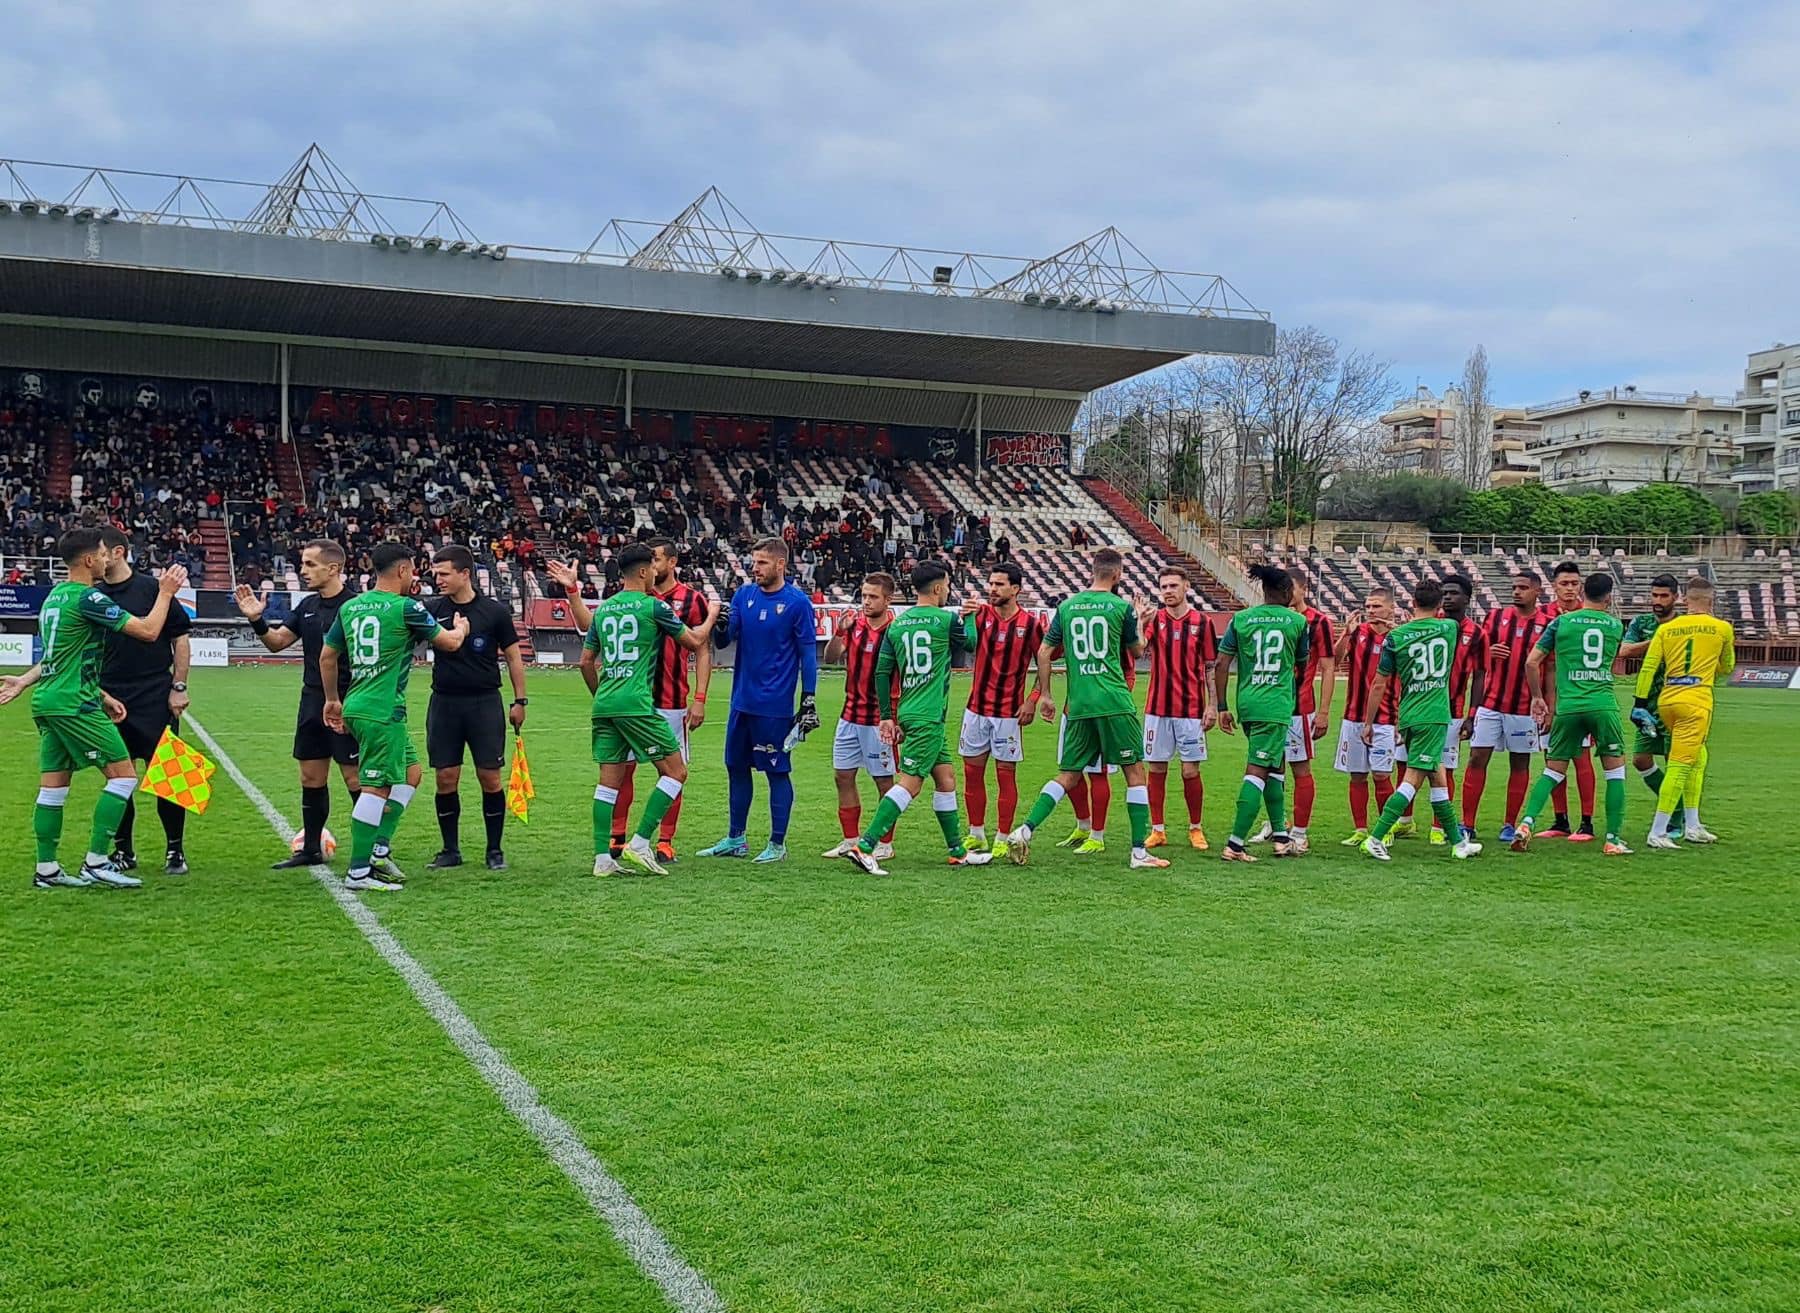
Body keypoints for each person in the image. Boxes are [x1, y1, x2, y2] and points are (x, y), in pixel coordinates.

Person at [0, 527, 188, 889]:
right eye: (101, 554)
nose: (106, 559)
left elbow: (62, 656)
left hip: (75, 698)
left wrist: (28, 682)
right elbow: (150, 631)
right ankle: (99, 860)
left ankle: (48, 869)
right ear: (89, 560)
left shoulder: (56, 596)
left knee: (55, 787)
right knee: (124, 777)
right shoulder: (92, 597)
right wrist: (166, 593)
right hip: (76, 703)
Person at [1003, 548, 1168, 870]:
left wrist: (1047, 694)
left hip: (1078, 704)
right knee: (1135, 772)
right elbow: (1137, 650)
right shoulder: (1121, 607)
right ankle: (1138, 853)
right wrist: (1142, 623)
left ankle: (1024, 830)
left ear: (1092, 571)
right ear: (1117, 575)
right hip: (1113, 701)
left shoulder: (1067, 607)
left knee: (1068, 774)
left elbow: (1045, 651)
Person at [320, 542, 470, 891]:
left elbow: (327, 657)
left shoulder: (351, 607)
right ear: (403, 570)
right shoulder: (406, 608)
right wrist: (461, 628)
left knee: (412, 774)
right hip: (380, 711)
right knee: (376, 787)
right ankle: (359, 872)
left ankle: (379, 848)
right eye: (413, 570)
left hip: (358, 703)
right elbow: (448, 643)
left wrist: (332, 700)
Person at [839, 562, 996, 875]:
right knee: (910, 783)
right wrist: (973, 618)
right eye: (948, 586)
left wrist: (887, 716)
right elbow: (971, 644)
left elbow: (883, 672)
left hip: (909, 710)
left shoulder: (898, 624)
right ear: (938, 588)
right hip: (928, 716)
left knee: (946, 778)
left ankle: (957, 851)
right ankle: (865, 845)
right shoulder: (945, 620)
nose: (948, 591)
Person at [581, 543, 720, 876]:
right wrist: (712, 614)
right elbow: (694, 640)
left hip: (605, 704)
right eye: (652, 569)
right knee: (676, 771)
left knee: (608, 782)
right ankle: (642, 841)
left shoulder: (604, 609)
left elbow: (586, 661)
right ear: (643, 571)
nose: (656, 573)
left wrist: (601, 693)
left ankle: (603, 859)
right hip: (638, 703)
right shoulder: (653, 607)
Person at [235, 539, 363, 868]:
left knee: (356, 780)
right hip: (312, 700)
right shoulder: (307, 606)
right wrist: (256, 620)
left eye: (309, 564)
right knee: (311, 777)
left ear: (333, 568)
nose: (302, 570)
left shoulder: (357, 606)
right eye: (302, 564)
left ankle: (372, 849)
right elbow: (277, 643)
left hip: (349, 702)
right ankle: (310, 850)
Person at [696, 537, 819, 863]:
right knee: (736, 767)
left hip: (775, 708)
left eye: (762, 562)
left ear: (781, 564)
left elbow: (808, 656)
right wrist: (719, 626)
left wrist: (808, 699)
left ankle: (777, 844)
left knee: (777, 772)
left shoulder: (797, 603)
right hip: (741, 702)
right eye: (754, 562)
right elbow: (725, 640)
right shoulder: (743, 595)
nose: (755, 568)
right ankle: (736, 838)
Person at [1356, 578, 1482, 862]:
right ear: (1439, 605)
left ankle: (1459, 843)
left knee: (1437, 777)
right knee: (1412, 779)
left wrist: (1368, 722)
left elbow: (1379, 683)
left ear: (1412, 603)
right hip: (1435, 713)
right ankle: (1376, 837)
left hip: (1410, 713)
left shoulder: (1396, 637)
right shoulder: (1449, 628)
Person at [95, 524, 194, 875]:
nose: (94, 558)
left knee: (172, 776)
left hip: (154, 694)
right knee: (119, 779)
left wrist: (178, 686)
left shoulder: (154, 589)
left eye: (101, 551)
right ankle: (124, 852)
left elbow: (180, 637)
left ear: (118, 552)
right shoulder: (90, 595)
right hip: (109, 697)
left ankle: (175, 851)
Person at [422, 544, 527, 871]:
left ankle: (494, 850)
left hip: (484, 704)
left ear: (464, 573)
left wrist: (520, 700)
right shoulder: (432, 609)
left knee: (490, 779)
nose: (437, 579)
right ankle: (450, 849)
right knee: (445, 778)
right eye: (434, 574)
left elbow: (513, 657)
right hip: (444, 703)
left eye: (444, 573)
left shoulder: (493, 611)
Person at [1512, 572, 1630, 854]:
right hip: (1602, 704)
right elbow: (1616, 656)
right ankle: (1612, 840)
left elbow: (1531, 662)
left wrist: (1539, 697)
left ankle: (1526, 822)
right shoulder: (1614, 625)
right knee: (1615, 773)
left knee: (1553, 770)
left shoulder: (1561, 622)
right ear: (1609, 597)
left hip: (1568, 706)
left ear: (1582, 592)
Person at [1209, 563, 1311, 861]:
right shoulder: (1296, 622)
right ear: (1285, 591)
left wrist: (1223, 706)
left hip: (1248, 702)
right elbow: (1302, 666)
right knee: (1257, 771)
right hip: (1275, 704)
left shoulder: (1241, 619)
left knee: (1275, 768)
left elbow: (1221, 664)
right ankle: (1235, 844)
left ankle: (1281, 838)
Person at [957, 563, 1049, 858]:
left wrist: (1033, 699)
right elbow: (967, 643)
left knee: (1005, 776)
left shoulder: (1031, 625)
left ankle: (1001, 836)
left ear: (1015, 589)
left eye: (999, 584)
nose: (992, 589)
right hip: (976, 710)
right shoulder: (980, 614)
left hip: (1009, 713)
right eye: (991, 583)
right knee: (972, 774)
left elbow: (1044, 663)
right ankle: (975, 834)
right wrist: (964, 618)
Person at [1634, 575, 1732, 848]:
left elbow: (1649, 667)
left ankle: (1693, 824)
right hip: (1696, 702)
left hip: (1667, 700)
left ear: (1685, 600)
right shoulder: (1722, 628)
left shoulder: (1668, 628)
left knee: (1698, 759)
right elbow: (1727, 666)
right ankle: (1658, 831)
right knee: (1679, 767)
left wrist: (1640, 704)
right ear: (1711, 601)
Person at [1390, 572, 1486, 844]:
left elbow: (1480, 674)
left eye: (1454, 592)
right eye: (1444, 592)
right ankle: (1405, 821)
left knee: (1444, 768)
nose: (1448, 597)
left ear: (1467, 598)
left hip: (1450, 710)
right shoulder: (1431, 626)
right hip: (1416, 707)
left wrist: (1471, 714)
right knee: (1407, 764)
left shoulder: (1475, 633)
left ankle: (1438, 827)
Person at [1462, 570, 1548, 845]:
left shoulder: (1548, 624)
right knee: (1477, 758)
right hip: (1491, 703)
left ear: (1537, 592)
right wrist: (1490, 652)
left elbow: (1552, 667)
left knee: (1520, 763)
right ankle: (1467, 824)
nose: (1517, 592)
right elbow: (1476, 656)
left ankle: (1509, 824)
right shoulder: (1496, 618)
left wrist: (1549, 706)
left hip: (1524, 708)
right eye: (1514, 587)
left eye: (1523, 587)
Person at [1248, 573, 1333, 851]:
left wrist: (1323, 712)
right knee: (1272, 768)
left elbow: (1328, 667)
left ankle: (1300, 831)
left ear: (1302, 589)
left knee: (1300, 768)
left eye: (1291, 588)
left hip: (1299, 708)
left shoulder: (1318, 622)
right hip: (1272, 707)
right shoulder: (1273, 620)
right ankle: (1276, 823)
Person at [822, 573, 900, 861]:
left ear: (888, 600)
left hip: (880, 719)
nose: (866, 601)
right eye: (864, 595)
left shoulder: (895, 632)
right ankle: (850, 840)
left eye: (873, 596)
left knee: (883, 781)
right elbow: (830, 658)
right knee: (842, 776)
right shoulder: (853, 627)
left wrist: (896, 718)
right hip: (849, 715)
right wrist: (839, 632)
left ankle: (885, 843)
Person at [1139, 566, 1216, 850]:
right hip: (1157, 709)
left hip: (1192, 710)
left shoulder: (1202, 622)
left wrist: (1212, 706)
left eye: (1173, 586)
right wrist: (1139, 621)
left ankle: (1195, 828)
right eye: (1164, 587)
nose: (1168, 591)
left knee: (1190, 772)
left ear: (1186, 587)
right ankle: (1157, 829)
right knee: (1156, 768)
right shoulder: (1154, 619)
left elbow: (1209, 667)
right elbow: (1138, 649)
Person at [1618, 573, 1688, 839]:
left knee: (1674, 763)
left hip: (1675, 700)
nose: (1658, 601)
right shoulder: (1642, 622)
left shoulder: (1684, 625)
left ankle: (1676, 819)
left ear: (1676, 597)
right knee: (1640, 759)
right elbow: (1625, 651)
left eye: (1664, 596)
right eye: (1655, 595)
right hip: (1646, 703)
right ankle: (1677, 808)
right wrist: (1658, 641)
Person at [1332, 588, 1398, 845]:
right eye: (1368, 606)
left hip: (1386, 718)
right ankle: (1360, 828)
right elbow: (1335, 660)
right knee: (1357, 775)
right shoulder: (1358, 633)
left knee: (1382, 775)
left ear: (1390, 609)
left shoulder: (1398, 637)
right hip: (1354, 716)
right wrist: (1345, 633)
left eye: (1377, 607)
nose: (1371, 611)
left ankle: (1386, 828)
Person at [1541, 560, 1599, 840]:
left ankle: (1587, 822)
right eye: (1564, 583)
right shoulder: (1545, 616)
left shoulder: (1588, 615)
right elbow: (1543, 664)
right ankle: (1560, 820)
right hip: (1553, 701)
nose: (1569, 589)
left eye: (1574, 584)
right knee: (1553, 759)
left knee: (1582, 758)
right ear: (1554, 586)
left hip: (1582, 699)